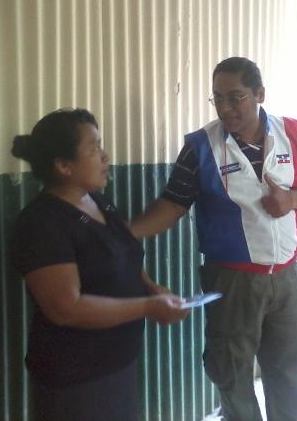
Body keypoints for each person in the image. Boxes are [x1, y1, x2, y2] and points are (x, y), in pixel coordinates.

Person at [131, 57, 297, 421]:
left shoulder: (293, 134)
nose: (225, 108)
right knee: (231, 373)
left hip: (289, 275)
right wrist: (127, 233)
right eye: (218, 98)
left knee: (290, 369)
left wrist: (292, 199)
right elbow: (173, 204)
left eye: (236, 97)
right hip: (232, 279)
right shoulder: (201, 147)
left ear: (260, 94)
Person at [10, 108, 189, 421]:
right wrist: (148, 306)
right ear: (63, 165)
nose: (105, 156)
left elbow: (123, 254)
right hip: (75, 377)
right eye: (94, 149)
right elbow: (65, 308)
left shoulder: (98, 202)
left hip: (118, 364)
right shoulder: (42, 223)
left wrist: (151, 287)